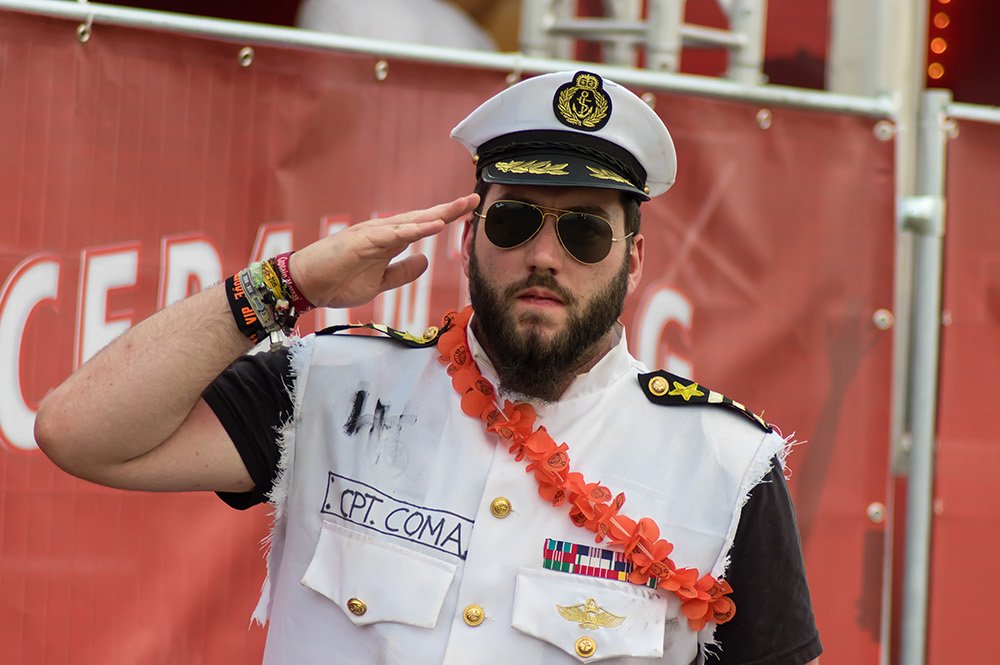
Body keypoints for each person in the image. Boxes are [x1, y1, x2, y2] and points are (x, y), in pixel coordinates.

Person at [35, 70, 822, 664]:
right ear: (469, 236)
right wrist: (287, 284)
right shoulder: (333, 384)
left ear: (635, 260)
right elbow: (79, 433)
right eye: (513, 220)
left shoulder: (725, 462)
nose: (544, 256)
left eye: (584, 231)